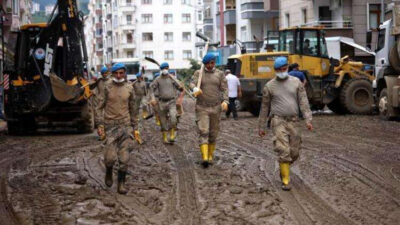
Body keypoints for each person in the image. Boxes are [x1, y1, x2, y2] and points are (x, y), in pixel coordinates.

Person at [258, 56, 313, 191]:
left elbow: (303, 102)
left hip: (294, 121)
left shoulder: (296, 83)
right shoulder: (269, 86)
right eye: (279, 70)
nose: (282, 71)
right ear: (275, 70)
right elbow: (264, 107)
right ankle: (286, 180)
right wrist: (261, 126)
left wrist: (308, 119)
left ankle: (284, 167)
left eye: (284, 69)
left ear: (287, 68)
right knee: (283, 150)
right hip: (278, 121)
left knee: (294, 152)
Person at [95, 63, 137, 194]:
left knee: (124, 159)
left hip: (125, 127)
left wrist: (135, 127)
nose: (119, 76)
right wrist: (100, 124)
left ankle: (121, 184)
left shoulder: (130, 88)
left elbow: (133, 109)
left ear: (125, 73)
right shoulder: (107, 87)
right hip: (110, 127)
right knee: (110, 158)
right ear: (112, 74)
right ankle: (108, 171)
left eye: (121, 73)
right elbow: (99, 107)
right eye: (116, 73)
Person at [190, 53, 229, 167]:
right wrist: (195, 88)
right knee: (204, 131)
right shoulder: (199, 73)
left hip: (216, 107)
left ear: (214, 62)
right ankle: (205, 158)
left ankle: (210, 155)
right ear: (204, 64)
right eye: (207, 63)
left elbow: (225, 89)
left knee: (213, 133)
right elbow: (191, 83)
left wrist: (225, 101)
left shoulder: (220, 74)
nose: (210, 65)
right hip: (202, 107)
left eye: (212, 63)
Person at [150, 62, 184, 144]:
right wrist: (153, 98)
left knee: (173, 118)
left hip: (172, 102)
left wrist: (180, 87)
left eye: (166, 68)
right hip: (161, 103)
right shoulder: (157, 79)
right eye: (163, 68)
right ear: (161, 70)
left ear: (168, 68)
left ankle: (172, 135)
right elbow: (151, 89)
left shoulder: (172, 78)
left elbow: (180, 88)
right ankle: (165, 137)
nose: (165, 70)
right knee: (163, 121)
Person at [93, 65, 110, 140]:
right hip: (100, 102)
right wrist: (93, 80)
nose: (104, 74)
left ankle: (109, 133)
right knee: (99, 119)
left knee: (109, 118)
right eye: (103, 73)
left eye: (106, 73)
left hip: (109, 102)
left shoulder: (111, 81)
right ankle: (101, 134)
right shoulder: (99, 81)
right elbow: (91, 86)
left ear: (108, 73)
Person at [131, 72, 147, 145]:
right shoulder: (134, 83)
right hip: (136, 96)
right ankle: (136, 116)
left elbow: (145, 90)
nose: (139, 78)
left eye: (140, 77)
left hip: (142, 96)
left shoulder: (144, 83)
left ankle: (144, 113)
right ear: (137, 78)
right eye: (138, 77)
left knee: (144, 104)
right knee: (136, 108)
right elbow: (131, 87)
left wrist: (146, 95)